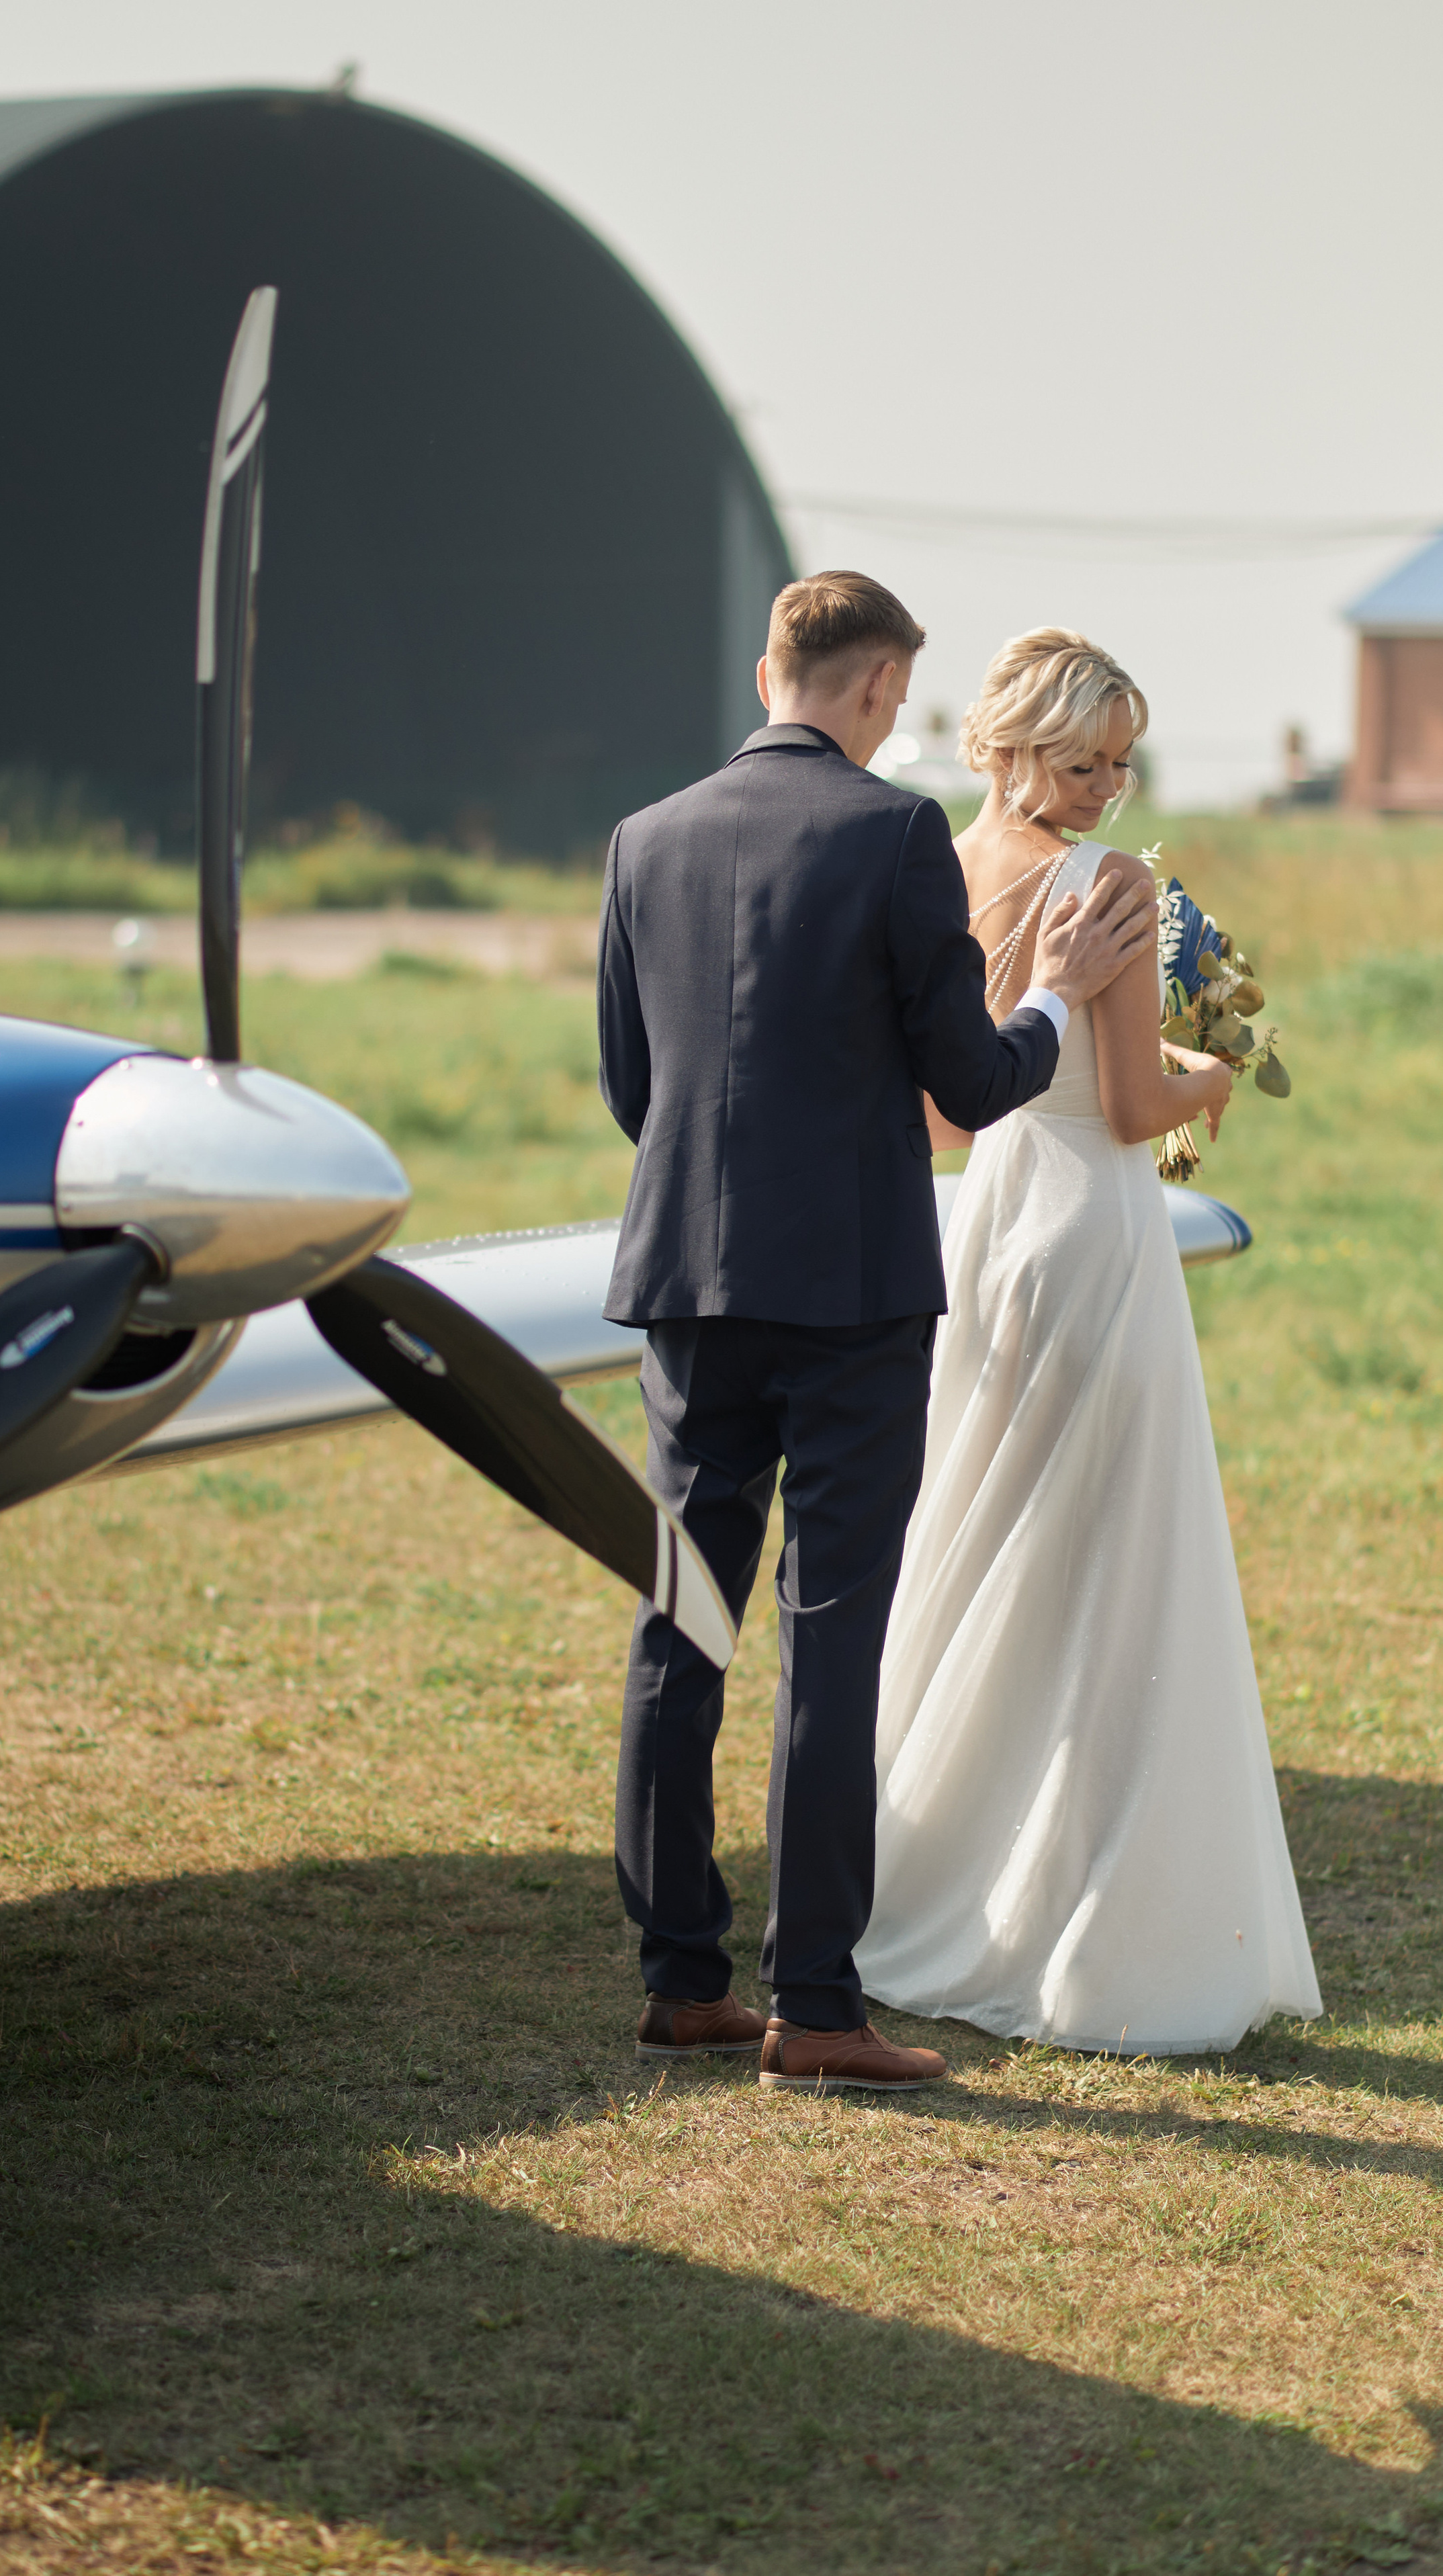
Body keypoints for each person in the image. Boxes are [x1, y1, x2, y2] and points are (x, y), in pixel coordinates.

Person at [597, 574, 1159, 2094]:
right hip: (847, 1296)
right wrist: (1048, 999)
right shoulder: (891, 832)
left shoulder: (642, 838)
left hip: (683, 1289)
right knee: (830, 1638)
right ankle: (816, 2005)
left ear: (771, 668)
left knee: (681, 1622)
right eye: (897, 697)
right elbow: (973, 1084)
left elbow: (630, 1089)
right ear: (874, 682)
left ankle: (676, 1982)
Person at [855, 629, 1321, 2053]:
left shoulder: (933, 860)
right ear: (1007, 745)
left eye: (1120, 762)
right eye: (1080, 760)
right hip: (1093, 1236)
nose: (1106, 788)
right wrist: (1216, 1073)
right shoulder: (1109, 887)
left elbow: (945, 1114)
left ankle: (938, 1880)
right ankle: (1088, 1911)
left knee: (987, 1533)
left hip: (986, 1228)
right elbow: (1124, 1105)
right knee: (1112, 1561)